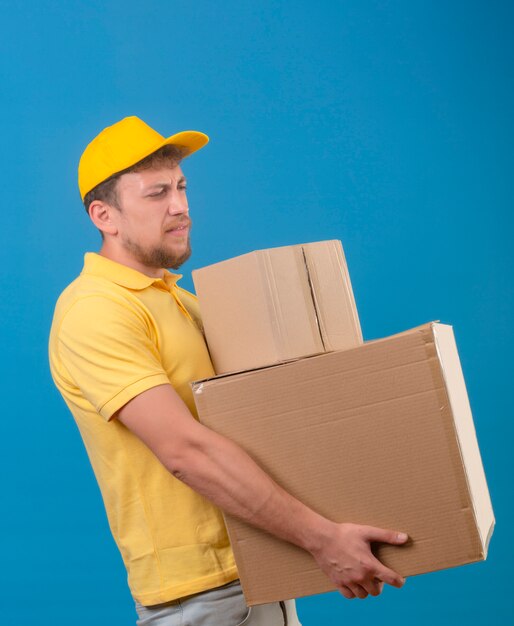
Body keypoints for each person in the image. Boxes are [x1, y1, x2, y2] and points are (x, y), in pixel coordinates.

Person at [48, 116, 408, 626]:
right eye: (156, 194)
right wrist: (322, 537)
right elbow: (184, 452)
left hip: (262, 566)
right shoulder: (96, 309)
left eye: (181, 187)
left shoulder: (179, 301)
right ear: (104, 215)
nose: (180, 206)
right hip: (200, 596)